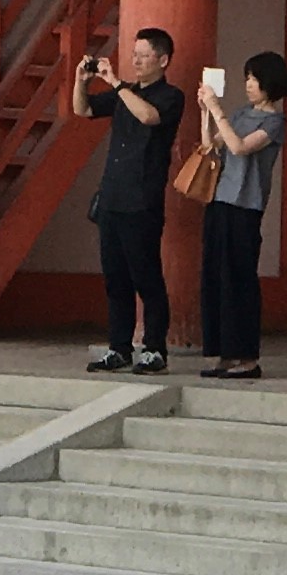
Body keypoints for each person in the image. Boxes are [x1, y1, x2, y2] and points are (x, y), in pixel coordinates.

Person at [74, 26, 185, 373]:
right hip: (111, 198)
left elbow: (149, 117)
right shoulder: (126, 93)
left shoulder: (170, 96)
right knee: (115, 278)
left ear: (162, 60)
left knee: (146, 276)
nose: (135, 60)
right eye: (133, 55)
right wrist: (82, 81)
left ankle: (154, 348)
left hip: (143, 200)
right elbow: (84, 110)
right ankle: (119, 347)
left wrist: (117, 84)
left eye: (143, 55)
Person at [196, 51, 287, 384]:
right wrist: (206, 113)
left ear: (269, 83)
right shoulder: (238, 113)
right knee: (214, 277)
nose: (249, 84)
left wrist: (218, 112)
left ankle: (247, 356)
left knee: (239, 279)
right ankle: (221, 352)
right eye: (247, 78)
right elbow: (213, 147)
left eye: (254, 78)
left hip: (246, 206)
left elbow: (240, 147)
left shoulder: (274, 122)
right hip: (220, 200)